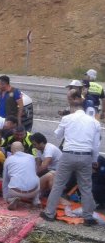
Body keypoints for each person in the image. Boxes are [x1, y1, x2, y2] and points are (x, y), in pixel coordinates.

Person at [40, 91, 101, 226]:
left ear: (73, 108)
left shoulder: (67, 119)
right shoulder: (94, 122)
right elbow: (95, 145)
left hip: (68, 155)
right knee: (86, 187)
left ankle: (49, 213)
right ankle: (88, 217)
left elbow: (57, 135)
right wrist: (94, 160)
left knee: (58, 185)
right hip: (85, 156)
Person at [3, 141, 41, 210]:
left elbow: (5, 180)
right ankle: (36, 200)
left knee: (10, 181)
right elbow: (34, 173)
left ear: (11, 150)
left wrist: (5, 197)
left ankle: (11, 199)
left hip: (15, 192)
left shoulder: (8, 159)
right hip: (33, 191)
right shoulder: (31, 157)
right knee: (36, 177)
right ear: (23, 149)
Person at [30, 132, 62, 197]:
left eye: (35, 144)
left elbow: (44, 166)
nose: (33, 146)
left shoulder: (49, 149)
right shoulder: (39, 149)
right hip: (50, 169)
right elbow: (38, 164)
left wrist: (33, 176)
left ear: (41, 143)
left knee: (40, 177)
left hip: (59, 171)